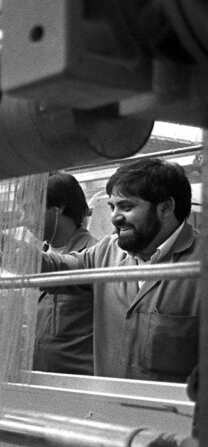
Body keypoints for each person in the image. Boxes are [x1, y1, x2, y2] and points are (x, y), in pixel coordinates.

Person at [40, 157, 198, 382]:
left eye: (127, 206)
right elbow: (60, 269)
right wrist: (18, 253)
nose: (115, 217)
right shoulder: (107, 252)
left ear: (165, 208)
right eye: (113, 207)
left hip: (173, 414)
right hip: (108, 410)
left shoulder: (199, 264)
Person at [33, 173, 99, 374]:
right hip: (39, 378)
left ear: (57, 208)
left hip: (77, 384)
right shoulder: (35, 258)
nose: (23, 218)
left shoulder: (96, 258)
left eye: (29, 208)